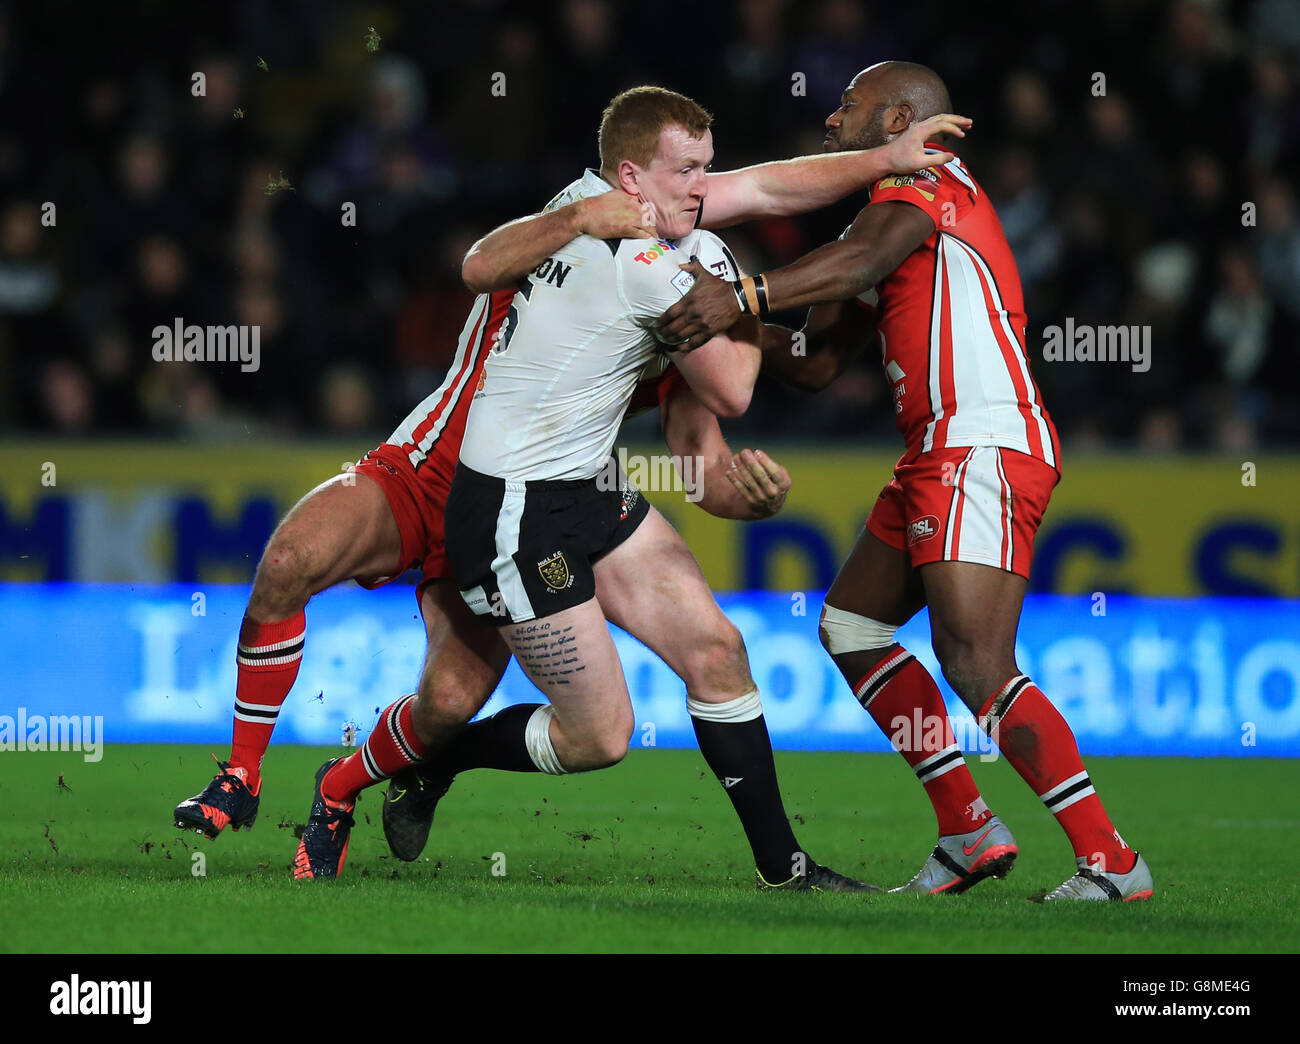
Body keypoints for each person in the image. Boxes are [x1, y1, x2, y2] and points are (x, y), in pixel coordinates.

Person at [173, 92, 963, 847]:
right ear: (631, 177)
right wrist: (617, 232)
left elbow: (704, 453)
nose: (701, 190)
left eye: (703, 176)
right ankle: (241, 774)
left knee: (448, 705)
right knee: (288, 561)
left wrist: (746, 490)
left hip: (534, 504)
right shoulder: (593, 210)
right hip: (429, 467)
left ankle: (349, 784)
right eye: (686, 173)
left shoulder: (677, 302)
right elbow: (481, 264)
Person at [657, 62, 1153, 902]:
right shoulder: (881, 219)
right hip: (936, 450)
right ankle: (967, 828)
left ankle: (1110, 860)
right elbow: (815, 364)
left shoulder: (929, 184)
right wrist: (705, 327)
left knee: (975, 659)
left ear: (897, 118)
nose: (830, 121)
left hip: (983, 440)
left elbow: (857, 263)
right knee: (853, 628)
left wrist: (741, 292)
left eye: (846, 108)